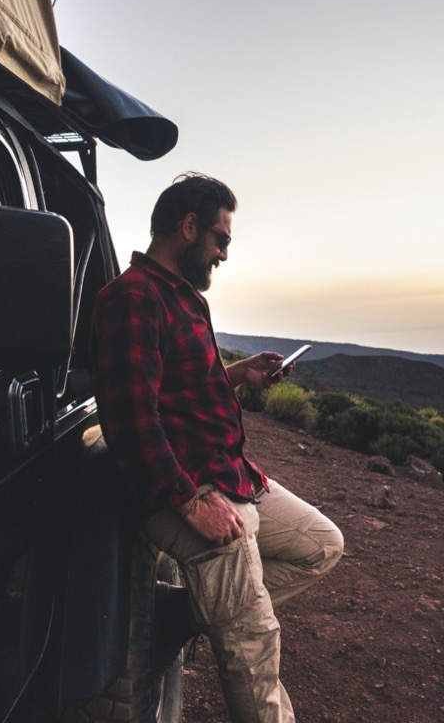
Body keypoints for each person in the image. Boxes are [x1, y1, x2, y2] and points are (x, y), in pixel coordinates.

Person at [91, 172, 343, 723]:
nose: (225, 254)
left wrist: (239, 374)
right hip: (186, 486)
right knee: (254, 646)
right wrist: (189, 504)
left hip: (230, 473)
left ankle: (184, 614)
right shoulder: (133, 298)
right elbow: (131, 419)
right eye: (221, 239)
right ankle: (227, 614)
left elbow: (180, 387)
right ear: (188, 228)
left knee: (322, 544)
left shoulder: (182, 298)